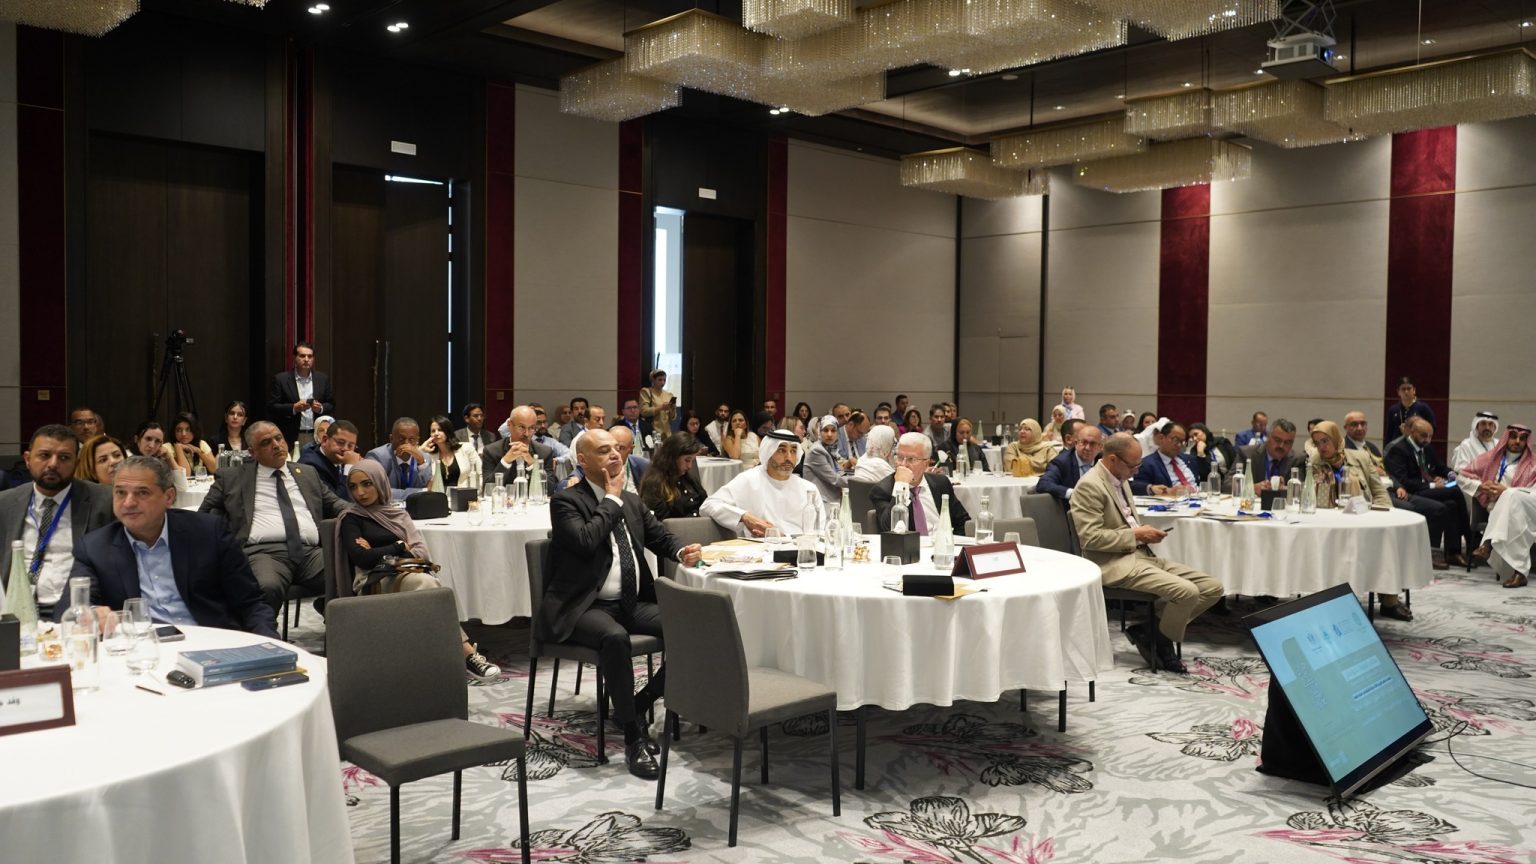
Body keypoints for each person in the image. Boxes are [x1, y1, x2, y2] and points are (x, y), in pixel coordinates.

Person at [543, 429, 702, 779]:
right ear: (582, 461)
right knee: (614, 638)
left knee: (696, 629)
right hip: (584, 606)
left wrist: (681, 551)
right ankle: (633, 737)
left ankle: (638, 703)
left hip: (631, 603)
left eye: (617, 449)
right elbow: (586, 541)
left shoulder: (631, 500)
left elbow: (659, 536)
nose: (615, 455)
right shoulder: (566, 501)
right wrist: (612, 499)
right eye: (604, 451)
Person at [61, 455, 277, 639]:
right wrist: (91, 613)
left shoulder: (208, 532)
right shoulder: (94, 548)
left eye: (142, 493)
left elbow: (251, 603)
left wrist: (271, 647)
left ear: (169, 497)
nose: (128, 503)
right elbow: (70, 609)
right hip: (142, 651)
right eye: (120, 493)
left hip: (210, 642)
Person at [1071, 433, 1224, 674]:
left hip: (1140, 555)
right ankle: (1160, 641)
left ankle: (1150, 631)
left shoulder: (1120, 478)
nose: (1136, 471)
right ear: (1112, 459)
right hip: (1112, 563)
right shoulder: (1090, 485)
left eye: (1138, 465)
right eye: (1133, 466)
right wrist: (1136, 535)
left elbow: (1126, 522)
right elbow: (1090, 539)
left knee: (1212, 587)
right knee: (1187, 592)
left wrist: (1141, 535)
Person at [333, 459, 500, 680]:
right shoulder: (351, 518)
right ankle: (467, 654)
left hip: (407, 572)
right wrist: (399, 546)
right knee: (428, 584)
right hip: (373, 580)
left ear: (380, 482)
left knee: (430, 587)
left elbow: (422, 553)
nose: (360, 492)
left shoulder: (398, 515)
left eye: (367, 484)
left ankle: (447, 659)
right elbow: (362, 559)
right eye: (353, 487)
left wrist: (377, 551)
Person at [200, 421, 348, 620]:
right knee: (266, 587)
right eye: (266, 442)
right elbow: (203, 514)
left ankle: (339, 626)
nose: (277, 445)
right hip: (263, 553)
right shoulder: (232, 477)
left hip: (311, 553)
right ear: (252, 452)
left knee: (349, 573)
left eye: (279, 438)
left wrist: (368, 515)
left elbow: (336, 504)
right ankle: (263, 635)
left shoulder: (307, 473)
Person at [0, 425, 115, 616]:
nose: (53, 464)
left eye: (64, 457)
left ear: (77, 463)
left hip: (77, 613)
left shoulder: (104, 501)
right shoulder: (5, 504)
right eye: (44, 455)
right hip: (16, 613)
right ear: (27, 459)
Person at [1309, 421, 1412, 619]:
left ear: (1336, 439)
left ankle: (1389, 601)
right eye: (1317, 443)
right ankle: (1336, 598)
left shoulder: (1361, 457)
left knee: (1387, 539)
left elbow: (1379, 492)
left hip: (1363, 519)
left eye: (1325, 441)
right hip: (1331, 523)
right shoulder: (1315, 461)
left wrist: (1385, 517)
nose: (1321, 447)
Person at [701, 429, 821, 537]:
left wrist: (785, 538)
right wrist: (745, 516)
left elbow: (820, 530)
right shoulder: (749, 479)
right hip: (759, 548)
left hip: (800, 548)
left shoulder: (809, 489)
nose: (789, 458)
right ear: (769, 452)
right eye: (781, 450)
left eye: (793, 451)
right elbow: (708, 506)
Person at [1386, 418, 1471, 569]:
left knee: (1451, 504)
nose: (1427, 440)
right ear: (1412, 432)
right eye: (1424, 436)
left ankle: (1452, 552)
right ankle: (1470, 538)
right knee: (1455, 492)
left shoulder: (1426, 447)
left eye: (1430, 436)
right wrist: (1432, 485)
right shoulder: (1398, 450)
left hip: (1426, 488)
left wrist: (1451, 474)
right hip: (1411, 491)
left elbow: (1439, 467)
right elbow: (1402, 481)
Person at [871, 432, 970, 534]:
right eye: (900, 457)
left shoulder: (941, 483)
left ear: (926, 463)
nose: (903, 464)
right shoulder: (882, 490)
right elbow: (888, 529)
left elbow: (962, 521)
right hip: (909, 544)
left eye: (911, 459)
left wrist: (951, 541)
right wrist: (901, 486)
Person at [267, 342, 334, 446]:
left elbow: (331, 404)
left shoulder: (322, 379)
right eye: (302, 356)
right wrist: (293, 408)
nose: (306, 359)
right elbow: (272, 407)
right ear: (294, 358)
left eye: (310, 356)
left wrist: (320, 408)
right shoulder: (281, 379)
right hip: (291, 435)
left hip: (316, 435)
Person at [639, 431, 707, 520]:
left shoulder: (689, 480)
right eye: (687, 460)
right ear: (673, 457)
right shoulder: (655, 484)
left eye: (692, 461)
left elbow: (705, 504)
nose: (690, 466)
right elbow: (656, 522)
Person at [481, 406, 556, 484]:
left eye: (531, 428)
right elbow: (487, 486)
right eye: (522, 427)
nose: (526, 434)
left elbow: (549, 488)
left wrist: (532, 465)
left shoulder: (544, 452)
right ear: (509, 425)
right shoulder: (491, 451)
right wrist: (505, 461)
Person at [365, 417, 434, 499]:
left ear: (417, 441)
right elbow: (377, 491)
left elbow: (429, 490)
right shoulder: (377, 457)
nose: (406, 444)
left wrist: (421, 463)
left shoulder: (424, 458)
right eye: (401, 439)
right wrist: (419, 492)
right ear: (391, 439)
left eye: (411, 439)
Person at [1037, 424, 1104, 502]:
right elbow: (1043, 484)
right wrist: (1073, 493)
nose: (1087, 448)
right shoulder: (1062, 462)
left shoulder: (1104, 461)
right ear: (1076, 443)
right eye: (1084, 442)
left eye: (1093, 444)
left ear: (1100, 447)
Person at [1133, 422, 1201, 496]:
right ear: (1161, 438)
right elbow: (1135, 486)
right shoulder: (1147, 464)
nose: (1179, 445)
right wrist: (1157, 490)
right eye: (1176, 440)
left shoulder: (1189, 459)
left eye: (1182, 442)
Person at [299, 418, 360, 499]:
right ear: (325, 440)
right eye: (341, 443)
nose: (345, 449)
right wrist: (349, 467)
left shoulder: (341, 458)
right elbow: (336, 502)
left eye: (350, 446)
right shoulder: (310, 465)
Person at [1239, 418, 1305, 492]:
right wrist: (1252, 488)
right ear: (1268, 437)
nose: (1281, 446)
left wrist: (1284, 489)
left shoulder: (1297, 460)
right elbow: (1229, 484)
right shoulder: (1247, 454)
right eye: (1277, 440)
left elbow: (1300, 489)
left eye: (1287, 442)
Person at [803, 415, 849, 504]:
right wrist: (858, 481)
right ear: (819, 432)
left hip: (827, 499)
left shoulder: (829, 448)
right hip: (820, 501)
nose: (829, 434)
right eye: (825, 430)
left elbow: (839, 471)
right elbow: (835, 479)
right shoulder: (817, 450)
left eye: (833, 430)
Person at [1385, 377, 1435, 448]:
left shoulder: (1423, 408)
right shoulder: (1393, 410)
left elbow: (1432, 428)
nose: (1406, 392)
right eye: (1403, 389)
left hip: (1417, 446)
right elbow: (1389, 433)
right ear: (1398, 392)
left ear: (1414, 390)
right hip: (1396, 447)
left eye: (1409, 388)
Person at [421, 414, 464, 489]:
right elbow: (424, 480)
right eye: (433, 431)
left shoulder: (466, 449)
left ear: (447, 431)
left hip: (463, 493)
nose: (436, 433)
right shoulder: (429, 455)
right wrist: (422, 449)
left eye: (440, 430)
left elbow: (479, 474)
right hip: (438, 495)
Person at [638, 369, 677, 441]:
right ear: (653, 380)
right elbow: (643, 411)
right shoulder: (646, 391)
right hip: (652, 431)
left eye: (664, 380)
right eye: (660, 380)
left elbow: (672, 418)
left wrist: (673, 408)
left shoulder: (669, 395)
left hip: (667, 433)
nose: (662, 382)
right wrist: (661, 408)